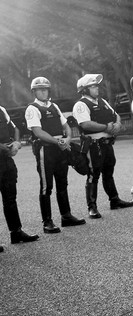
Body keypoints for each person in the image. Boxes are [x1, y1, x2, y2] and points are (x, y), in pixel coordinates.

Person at [25, 77, 86, 233]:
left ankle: (66, 216)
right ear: (34, 92)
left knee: (62, 183)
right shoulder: (32, 108)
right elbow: (38, 132)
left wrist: (67, 138)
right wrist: (57, 141)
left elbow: (65, 125)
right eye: (40, 89)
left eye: (45, 89)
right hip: (45, 150)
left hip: (60, 148)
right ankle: (47, 222)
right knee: (47, 187)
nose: (44, 91)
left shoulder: (54, 107)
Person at [73, 74, 133, 219]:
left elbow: (116, 115)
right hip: (94, 145)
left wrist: (118, 124)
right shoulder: (81, 105)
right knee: (93, 175)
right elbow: (85, 124)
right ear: (84, 90)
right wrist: (106, 128)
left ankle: (114, 200)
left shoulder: (102, 101)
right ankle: (92, 207)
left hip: (107, 144)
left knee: (108, 172)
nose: (97, 88)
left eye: (96, 86)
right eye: (93, 86)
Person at [0, 76, 39, 250]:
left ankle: (16, 232)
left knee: (10, 198)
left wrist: (16, 143)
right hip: (3, 153)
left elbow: (14, 128)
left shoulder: (1, 110)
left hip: (6, 161)